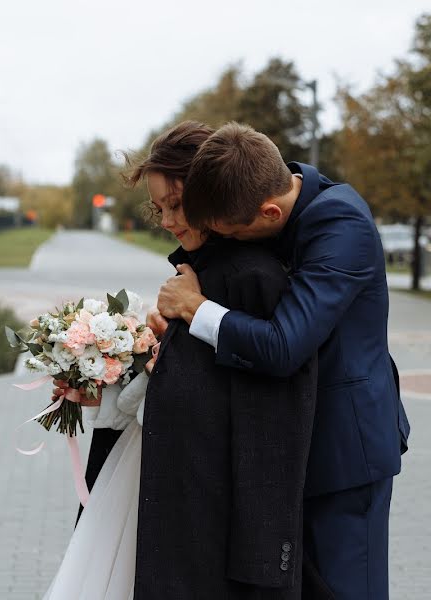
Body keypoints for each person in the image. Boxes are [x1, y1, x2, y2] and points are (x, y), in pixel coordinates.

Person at [43, 121, 332, 600]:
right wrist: (107, 381)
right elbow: (184, 384)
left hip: (211, 522)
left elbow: (274, 422)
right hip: (169, 492)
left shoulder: (250, 278)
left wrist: (262, 553)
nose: (169, 220)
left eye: (177, 205)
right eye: (159, 209)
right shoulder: (196, 274)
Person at [156, 122, 411, 600]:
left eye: (231, 233)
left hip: (344, 454)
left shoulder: (343, 228)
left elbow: (283, 345)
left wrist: (195, 306)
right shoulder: (262, 197)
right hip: (291, 444)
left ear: (270, 211)